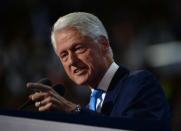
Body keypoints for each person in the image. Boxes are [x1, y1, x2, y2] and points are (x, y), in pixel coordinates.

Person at [27, 12, 170, 121]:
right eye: (63, 55)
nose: (71, 60)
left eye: (78, 48)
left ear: (103, 44)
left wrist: (73, 110)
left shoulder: (139, 83)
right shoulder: (89, 106)